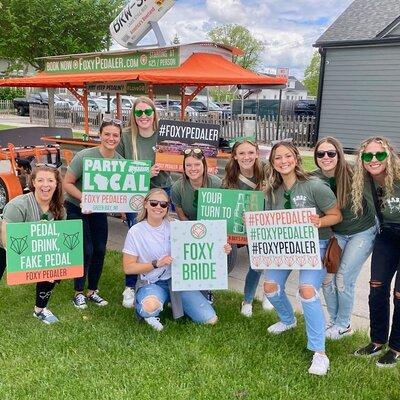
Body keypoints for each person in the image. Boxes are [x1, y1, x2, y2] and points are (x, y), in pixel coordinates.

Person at [263, 141, 342, 376]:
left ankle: (319, 353)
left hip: (315, 244)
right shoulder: (273, 190)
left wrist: (319, 221)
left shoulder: (314, 186)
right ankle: (288, 320)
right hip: (284, 247)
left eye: (287, 156)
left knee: (307, 290)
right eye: (278, 158)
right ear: (273, 163)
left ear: (296, 158)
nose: (283, 161)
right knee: (270, 288)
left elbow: (335, 215)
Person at [122, 188, 231, 331]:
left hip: (178, 281)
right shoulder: (136, 231)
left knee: (210, 319)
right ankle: (154, 306)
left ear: (167, 207)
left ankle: (176, 302)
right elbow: (128, 268)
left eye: (163, 204)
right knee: (149, 308)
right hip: (152, 282)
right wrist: (156, 264)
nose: (158, 207)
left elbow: (200, 246)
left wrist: (221, 249)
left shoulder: (176, 226)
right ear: (146, 204)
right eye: (154, 203)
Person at [313, 137, 377, 339]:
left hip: (362, 231)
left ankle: (343, 324)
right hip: (337, 233)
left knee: (343, 278)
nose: (326, 157)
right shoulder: (313, 179)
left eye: (331, 153)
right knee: (326, 278)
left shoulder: (354, 173)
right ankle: (335, 322)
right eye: (321, 153)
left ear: (338, 154)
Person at [116, 97, 172, 308]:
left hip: (162, 190)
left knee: (165, 235)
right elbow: (118, 169)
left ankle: (165, 280)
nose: (143, 117)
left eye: (147, 112)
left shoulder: (164, 134)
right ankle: (131, 286)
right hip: (136, 194)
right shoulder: (125, 136)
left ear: (154, 113)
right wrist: (144, 174)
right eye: (139, 113)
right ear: (133, 115)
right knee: (136, 236)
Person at [63, 118, 123, 310]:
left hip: (98, 210)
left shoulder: (120, 162)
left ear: (120, 138)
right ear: (100, 135)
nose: (111, 138)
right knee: (85, 249)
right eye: (107, 134)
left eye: (115, 135)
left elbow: (121, 190)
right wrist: (84, 199)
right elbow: (67, 183)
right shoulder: (85, 156)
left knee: (99, 249)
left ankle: (93, 291)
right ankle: (78, 292)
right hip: (76, 206)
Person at [352, 137, 400, 367]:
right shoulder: (364, 181)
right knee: (377, 287)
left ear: (388, 155)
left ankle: (396, 347)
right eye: (367, 155)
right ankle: (377, 341)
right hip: (387, 234)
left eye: (379, 155)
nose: (373, 160)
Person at [0, 165, 65, 324]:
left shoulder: (60, 210)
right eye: (40, 180)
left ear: (56, 184)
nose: (45, 185)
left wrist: (53, 266)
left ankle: (40, 309)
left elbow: (57, 240)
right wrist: (19, 262)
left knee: (52, 269)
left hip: (37, 245)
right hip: (4, 244)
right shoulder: (18, 205)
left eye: (50, 180)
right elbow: (6, 236)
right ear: (33, 183)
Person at [222, 139, 273, 316]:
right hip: (244, 227)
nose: (246, 157)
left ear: (257, 154)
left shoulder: (268, 170)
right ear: (235, 156)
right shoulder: (230, 176)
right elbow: (227, 204)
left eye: (251, 152)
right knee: (256, 264)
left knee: (271, 262)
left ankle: (270, 293)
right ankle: (248, 300)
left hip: (268, 222)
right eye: (242, 153)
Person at [171, 147, 221, 221]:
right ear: (184, 167)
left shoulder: (217, 184)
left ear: (204, 165)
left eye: (197, 164)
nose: (193, 168)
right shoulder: (177, 188)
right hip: (189, 226)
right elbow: (182, 217)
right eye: (188, 165)